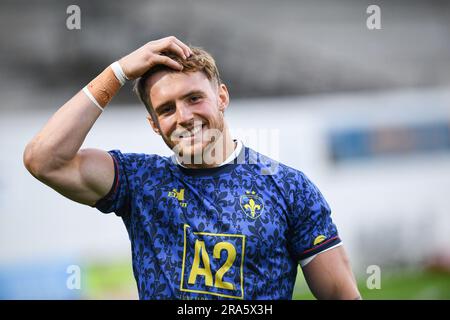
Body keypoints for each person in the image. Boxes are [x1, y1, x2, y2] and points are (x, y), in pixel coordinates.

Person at [23, 36, 361, 300]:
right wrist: (119, 71)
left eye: (194, 98)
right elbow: (43, 159)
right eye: (166, 109)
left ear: (222, 98)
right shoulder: (139, 181)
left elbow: (340, 293)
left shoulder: (288, 187)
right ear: (154, 125)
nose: (184, 116)